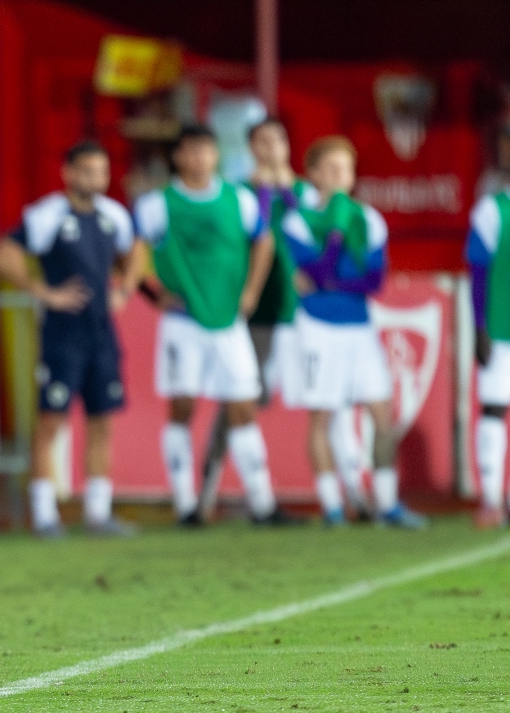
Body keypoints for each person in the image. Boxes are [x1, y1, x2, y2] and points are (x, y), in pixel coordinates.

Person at [198, 118, 372, 520]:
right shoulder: (239, 194)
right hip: (258, 314)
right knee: (238, 402)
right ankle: (206, 495)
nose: (271, 147)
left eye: (278, 139)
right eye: (262, 140)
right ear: (250, 146)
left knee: (335, 404)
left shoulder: (308, 195)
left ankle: (356, 496)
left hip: (309, 316)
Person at [131, 124, 298, 526]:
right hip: (183, 321)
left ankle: (262, 504)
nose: (200, 159)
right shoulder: (157, 204)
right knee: (183, 406)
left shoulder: (238, 199)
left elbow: (264, 241)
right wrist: (152, 293)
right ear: (178, 157)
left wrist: (251, 292)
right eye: (192, 152)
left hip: (228, 320)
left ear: (216, 155)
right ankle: (186, 506)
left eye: (207, 151)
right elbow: (133, 252)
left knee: (243, 405)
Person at [0, 140, 142, 536]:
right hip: (62, 336)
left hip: (101, 334)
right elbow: (2, 254)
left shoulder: (115, 216)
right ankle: (43, 513)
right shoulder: (47, 215)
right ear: (69, 173)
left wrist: (124, 289)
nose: (97, 179)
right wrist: (42, 291)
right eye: (88, 171)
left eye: (102, 171)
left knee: (102, 420)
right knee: (50, 421)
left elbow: (136, 251)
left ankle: (97, 511)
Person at [280, 135, 427, 528]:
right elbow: (321, 270)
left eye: (345, 169)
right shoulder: (298, 221)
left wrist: (330, 281)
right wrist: (336, 235)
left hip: (359, 328)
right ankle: (332, 507)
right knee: (321, 417)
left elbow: (374, 280)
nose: (339, 177)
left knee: (381, 411)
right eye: (330, 169)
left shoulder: (370, 219)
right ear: (312, 175)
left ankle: (387, 503)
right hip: (317, 329)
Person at [466, 185, 510, 528]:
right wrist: (479, 326)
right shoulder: (493, 209)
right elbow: (477, 271)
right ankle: (491, 499)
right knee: (494, 407)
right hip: (501, 327)